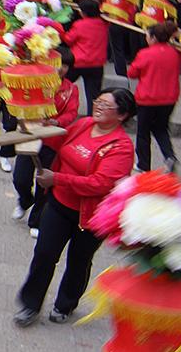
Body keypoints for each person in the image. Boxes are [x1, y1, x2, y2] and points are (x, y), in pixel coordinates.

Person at [13, 88, 136, 328]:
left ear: (122, 115)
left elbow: (101, 183)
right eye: (98, 101)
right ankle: (30, 304)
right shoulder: (85, 124)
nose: (98, 107)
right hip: (59, 204)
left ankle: (65, 304)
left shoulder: (121, 147)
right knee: (44, 254)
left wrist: (56, 178)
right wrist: (38, 127)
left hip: (92, 216)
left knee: (79, 261)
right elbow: (59, 140)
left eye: (106, 105)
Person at [9, 45, 79, 237]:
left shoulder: (71, 90)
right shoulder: (35, 82)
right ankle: (24, 200)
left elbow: (72, 113)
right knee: (20, 177)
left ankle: (36, 220)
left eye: (65, 65)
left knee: (44, 182)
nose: (61, 68)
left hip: (53, 140)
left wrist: (56, 121)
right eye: (57, 64)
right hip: (30, 134)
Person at [127, 20, 181, 173]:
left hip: (147, 98)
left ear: (154, 38)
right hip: (169, 98)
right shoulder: (174, 53)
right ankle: (169, 155)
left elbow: (132, 73)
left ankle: (144, 164)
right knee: (161, 129)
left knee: (143, 132)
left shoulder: (145, 53)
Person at [64, 0, 110, 113]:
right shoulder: (104, 24)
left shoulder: (80, 24)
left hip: (78, 63)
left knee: (61, 85)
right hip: (96, 64)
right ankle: (92, 118)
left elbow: (68, 40)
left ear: (84, 12)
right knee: (93, 95)